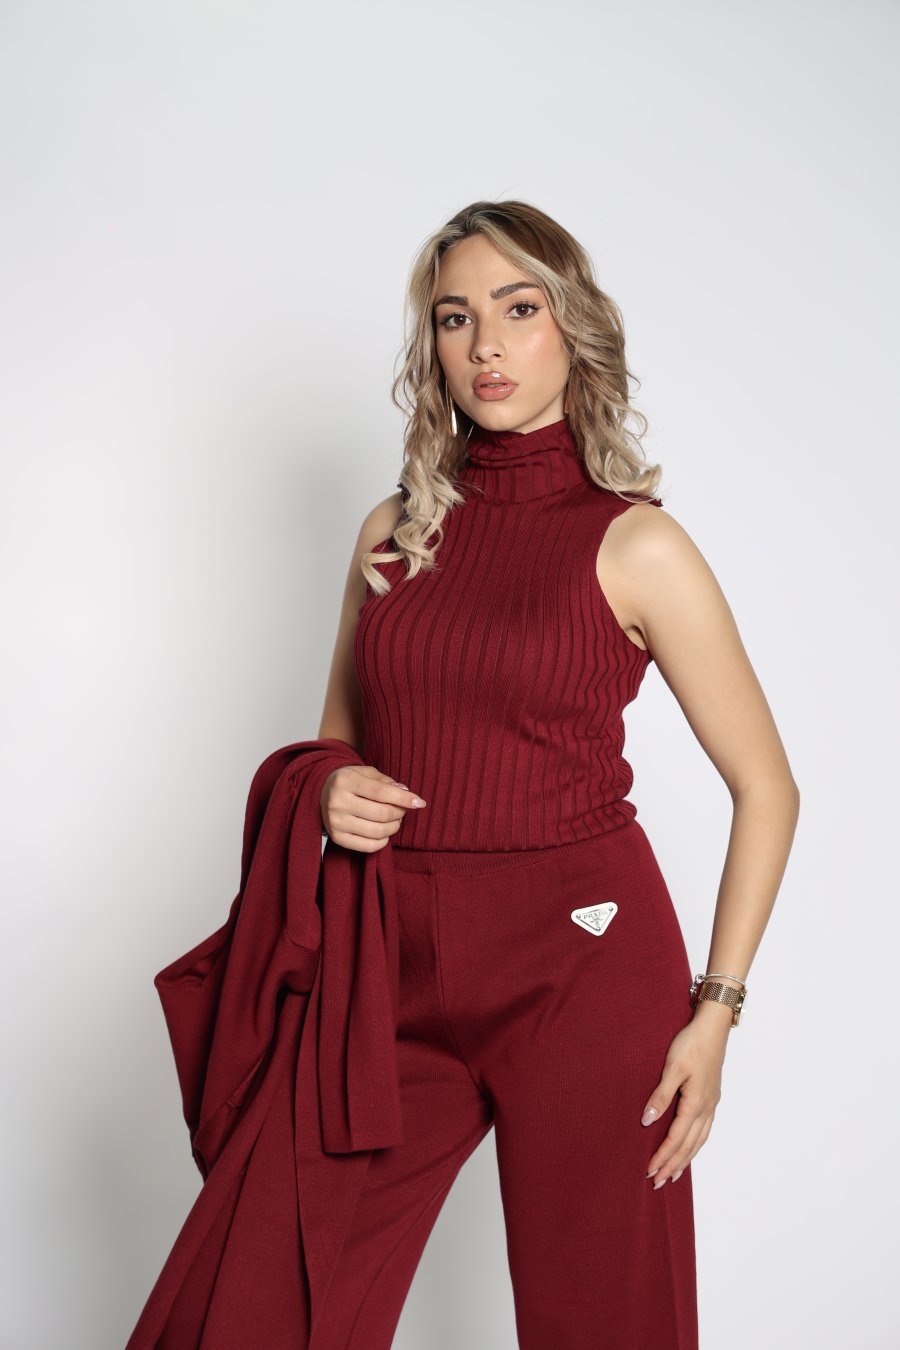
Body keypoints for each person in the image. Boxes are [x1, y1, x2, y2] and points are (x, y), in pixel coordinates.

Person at [315, 199, 800, 1349]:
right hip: (393, 961)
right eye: (455, 318)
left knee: (604, 1322)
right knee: (284, 1276)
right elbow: (333, 746)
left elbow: (767, 787)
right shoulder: (393, 534)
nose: (485, 344)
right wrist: (326, 792)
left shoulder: (637, 544)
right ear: (432, 347)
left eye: (518, 309)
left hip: (584, 967)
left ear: (571, 329)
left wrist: (715, 1014)